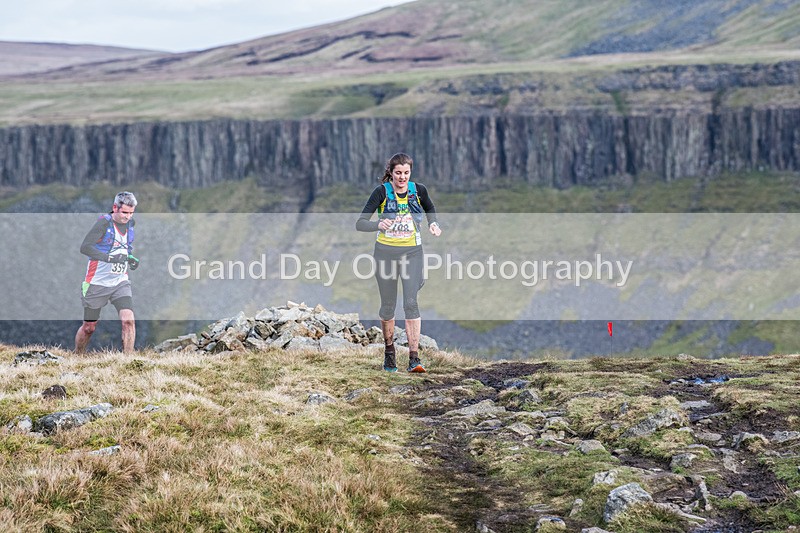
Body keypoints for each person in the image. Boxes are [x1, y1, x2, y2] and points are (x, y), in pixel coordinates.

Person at [356, 153, 442, 372]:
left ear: (410, 172)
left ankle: (414, 358)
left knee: (411, 302)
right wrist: (378, 225)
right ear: (391, 173)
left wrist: (433, 224)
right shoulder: (381, 192)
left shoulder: (418, 190)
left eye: (406, 173)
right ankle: (389, 353)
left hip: (412, 253)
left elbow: (430, 208)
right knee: (388, 305)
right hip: (385, 254)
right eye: (398, 173)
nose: (402, 177)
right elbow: (360, 223)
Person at [75, 191, 140, 354]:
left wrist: (130, 258)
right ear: (115, 208)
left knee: (128, 321)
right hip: (97, 282)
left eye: (131, 213)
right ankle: (78, 355)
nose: (128, 217)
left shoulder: (131, 224)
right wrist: (110, 258)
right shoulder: (103, 224)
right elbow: (85, 248)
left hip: (120, 282)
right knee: (89, 327)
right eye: (125, 212)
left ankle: (128, 361)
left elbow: (125, 247)